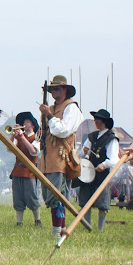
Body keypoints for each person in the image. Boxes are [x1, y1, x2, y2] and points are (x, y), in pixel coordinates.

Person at [38, 75, 84, 238]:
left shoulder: (71, 108)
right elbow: (43, 133)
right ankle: (57, 229)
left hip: (61, 158)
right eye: (52, 89)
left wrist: (49, 115)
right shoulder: (51, 108)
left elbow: (62, 130)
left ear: (65, 90)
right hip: (47, 158)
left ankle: (58, 231)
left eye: (57, 89)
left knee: (58, 196)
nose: (54, 92)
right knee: (49, 196)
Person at [79, 109, 120, 231]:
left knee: (102, 204)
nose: (95, 121)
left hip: (102, 174)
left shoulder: (111, 138)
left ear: (103, 122)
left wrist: (104, 164)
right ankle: (87, 226)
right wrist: (84, 152)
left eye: (97, 119)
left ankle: (100, 229)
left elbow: (114, 159)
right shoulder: (92, 136)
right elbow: (82, 153)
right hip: (89, 173)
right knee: (85, 201)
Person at [9, 112, 42, 226]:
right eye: (24, 122)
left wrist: (22, 137)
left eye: (27, 122)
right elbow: (9, 148)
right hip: (17, 170)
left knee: (31, 196)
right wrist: (14, 135)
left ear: (32, 125)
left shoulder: (37, 137)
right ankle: (19, 222)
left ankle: (37, 220)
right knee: (17, 196)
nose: (24, 124)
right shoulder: (18, 138)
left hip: (29, 171)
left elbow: (33, 152)